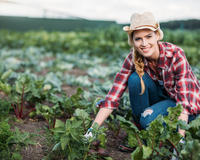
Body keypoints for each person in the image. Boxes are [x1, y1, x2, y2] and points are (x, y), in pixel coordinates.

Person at [85, 11, 200, 146]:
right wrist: (92, 130)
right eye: (138, 39)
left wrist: (179, 142)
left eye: (148, 36)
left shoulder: (175, 55)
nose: (144, 43)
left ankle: (191, 123)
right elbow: (113, 96)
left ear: (157, 35)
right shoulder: (132, 59)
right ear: (132, 41)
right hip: (163, 100)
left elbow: (184, 103)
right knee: (135, 79)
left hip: (184, 104)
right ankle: (142, 135)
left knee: (149, 122)